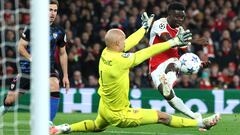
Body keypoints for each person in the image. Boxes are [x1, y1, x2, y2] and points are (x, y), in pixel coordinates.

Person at [50, 13, 220, 134]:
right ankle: (200, 121)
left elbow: (129, 42)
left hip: (105, 107)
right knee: (162, 117)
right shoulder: (121, 60)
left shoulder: (106, 52)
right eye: (122, 41)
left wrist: (143, 29)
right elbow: (147, 52)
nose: (126, 43)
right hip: (119, 114)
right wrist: (173, 42)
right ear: (117, 44)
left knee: (96, 126)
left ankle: (63, 128)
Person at [0, 0, 70, 125]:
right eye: (50, 10)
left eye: (55, 10)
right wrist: (32, 59)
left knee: (55, 84)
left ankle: (48, 123)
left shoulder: (59, 32)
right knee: (10, 100)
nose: (52, 13)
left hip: (47, 69)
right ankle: (3, 109)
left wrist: (65, 76)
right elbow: (20, 47)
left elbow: (63, 53)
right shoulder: (32, 27)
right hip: (28, 69)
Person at [149, 2, 204, 120]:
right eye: (177, 16)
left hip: (172, 61)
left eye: (182, 17)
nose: (180, 20)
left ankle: (167, 83)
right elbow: (169, 41)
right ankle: (194, 116)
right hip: (155, 64)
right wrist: (193, 41)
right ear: (169, 14)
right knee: (169, 97)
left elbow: (185, 53)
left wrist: (198, 63)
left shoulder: (181, 30)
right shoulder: (159, 23)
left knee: (173, 64)